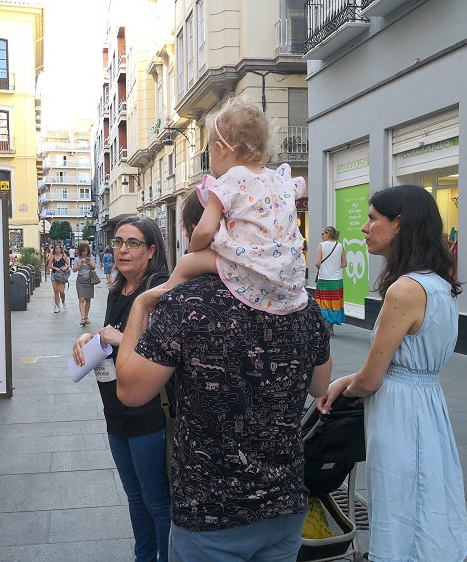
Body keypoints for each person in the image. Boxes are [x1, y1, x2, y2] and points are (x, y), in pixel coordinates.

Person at [113, 199, 332, 561]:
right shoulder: (302, 303)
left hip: (211, 512)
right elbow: (320, 386)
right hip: (284, 503)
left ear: (192, 235)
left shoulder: (186, 302)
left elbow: (130, 392)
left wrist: (139, 307)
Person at [318, 185, 467, 562]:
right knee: (428, 499)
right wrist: (348, 380)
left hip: (401, 413)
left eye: (372, 219)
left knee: (399, 502)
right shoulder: (439, 283)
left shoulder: (404, 289)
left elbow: (372, 379)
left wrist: (344, 384)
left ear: (399, 224)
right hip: (429, 405)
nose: (365, 228)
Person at [72, 215, 171, 562]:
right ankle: (143, 557)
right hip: (115, 408)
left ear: (151, 250)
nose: (123, 249)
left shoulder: (159, 287)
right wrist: (91, 336)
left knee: (157, 500)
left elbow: (167, 345)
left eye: (133, 243)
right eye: (118, 242)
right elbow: (110, 332)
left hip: (147, 412)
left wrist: (122, 337)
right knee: (134, 495)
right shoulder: (119, 289)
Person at [164, 101, 307, 315]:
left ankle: (159, 307)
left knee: (186, 264)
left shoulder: (230, 180)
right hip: (287, 274)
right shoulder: (277, 179)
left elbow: (204, 230)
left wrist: (195, 249)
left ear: (221, 150)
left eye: (209, 151)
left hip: (252, 268)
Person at [314, 226, 348, 335]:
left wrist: (324, 267)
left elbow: (317, 263)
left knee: (324, 303)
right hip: (337, 280)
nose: (322, 235)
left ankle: (324, 326)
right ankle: (331, 328)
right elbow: (344, 264)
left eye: (323, 233)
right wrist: (335, 266)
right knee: (334, 303)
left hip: (324, 278)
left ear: (328, 234)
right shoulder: (340, 246)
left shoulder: (321, 246)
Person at [73, 242, 96, 326]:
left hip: (89, 279)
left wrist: (88, 263)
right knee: (81, 298)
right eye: (83, 251)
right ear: (80, 251)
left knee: (88, 299)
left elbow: (93, 267)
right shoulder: (77, 259)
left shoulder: (91, 258)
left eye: (86, 251)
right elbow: (74, 270)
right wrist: (80, 265)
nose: (85, 252)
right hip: (80, 280)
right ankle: (82, 318)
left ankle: (86, 317)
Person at [48, 245, 70, 313]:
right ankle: (57, 306)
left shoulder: (64, 256)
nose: (57, 249)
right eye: (56, 248)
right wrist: (55, 268)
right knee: (56, 290)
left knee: (61, 291)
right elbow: (49, 265)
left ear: (61, 249)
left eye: (58, 248)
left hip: (61, 275)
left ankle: (63, 301)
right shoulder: (52, 256)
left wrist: (65, 268)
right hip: (54, 274)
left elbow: (69, 264)